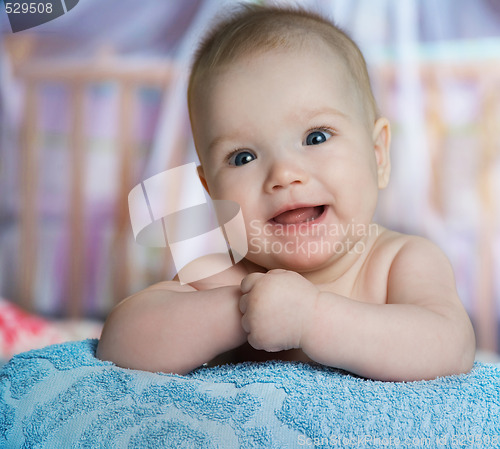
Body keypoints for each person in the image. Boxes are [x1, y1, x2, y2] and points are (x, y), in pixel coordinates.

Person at [96, 4, 475, 381]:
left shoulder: (400, 262)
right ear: (212, 191)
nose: (284, 174)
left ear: (378, 155)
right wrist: (241, 312)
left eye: (316, 137)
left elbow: (450, 346)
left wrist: (312, 318)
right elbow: (118, 345)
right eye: (243, 157)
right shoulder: (223, 277)